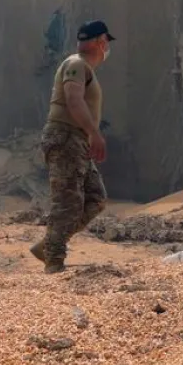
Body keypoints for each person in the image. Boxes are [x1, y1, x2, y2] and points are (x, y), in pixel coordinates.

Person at [31, 20, 114, 273]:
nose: (107, 48)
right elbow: (73, 100)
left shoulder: (84, 68)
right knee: (67, 201)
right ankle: (54, 262)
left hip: (76, 140)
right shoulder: (76, 64)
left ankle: (49, 244)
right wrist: (94, 133)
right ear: (100, 42)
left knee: (95, 198)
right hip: (66, 136)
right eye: (106, 42)